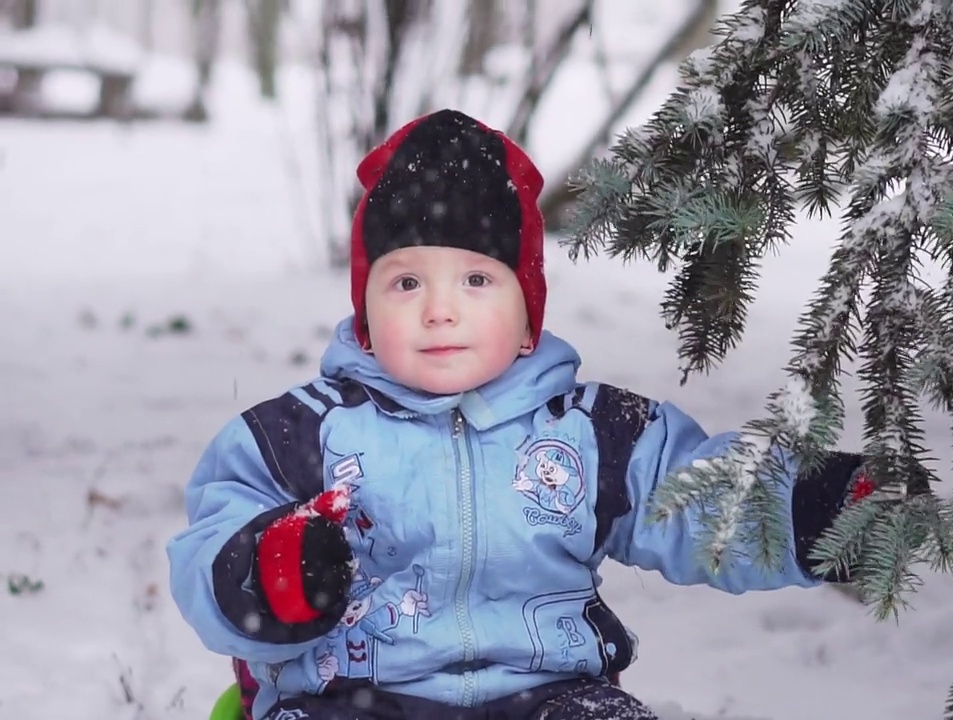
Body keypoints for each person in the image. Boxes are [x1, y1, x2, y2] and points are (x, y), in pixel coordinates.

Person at [166, 109, 872, 720]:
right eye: (406, 281)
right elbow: (210, 546)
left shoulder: (593, 433)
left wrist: (815, 507)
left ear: (528, 313)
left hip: (545, 695)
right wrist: (270, 572)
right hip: (348, 695)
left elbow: (697, 496)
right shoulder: (296, 436)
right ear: (365, 307)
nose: (440, 309)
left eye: (477, 280)